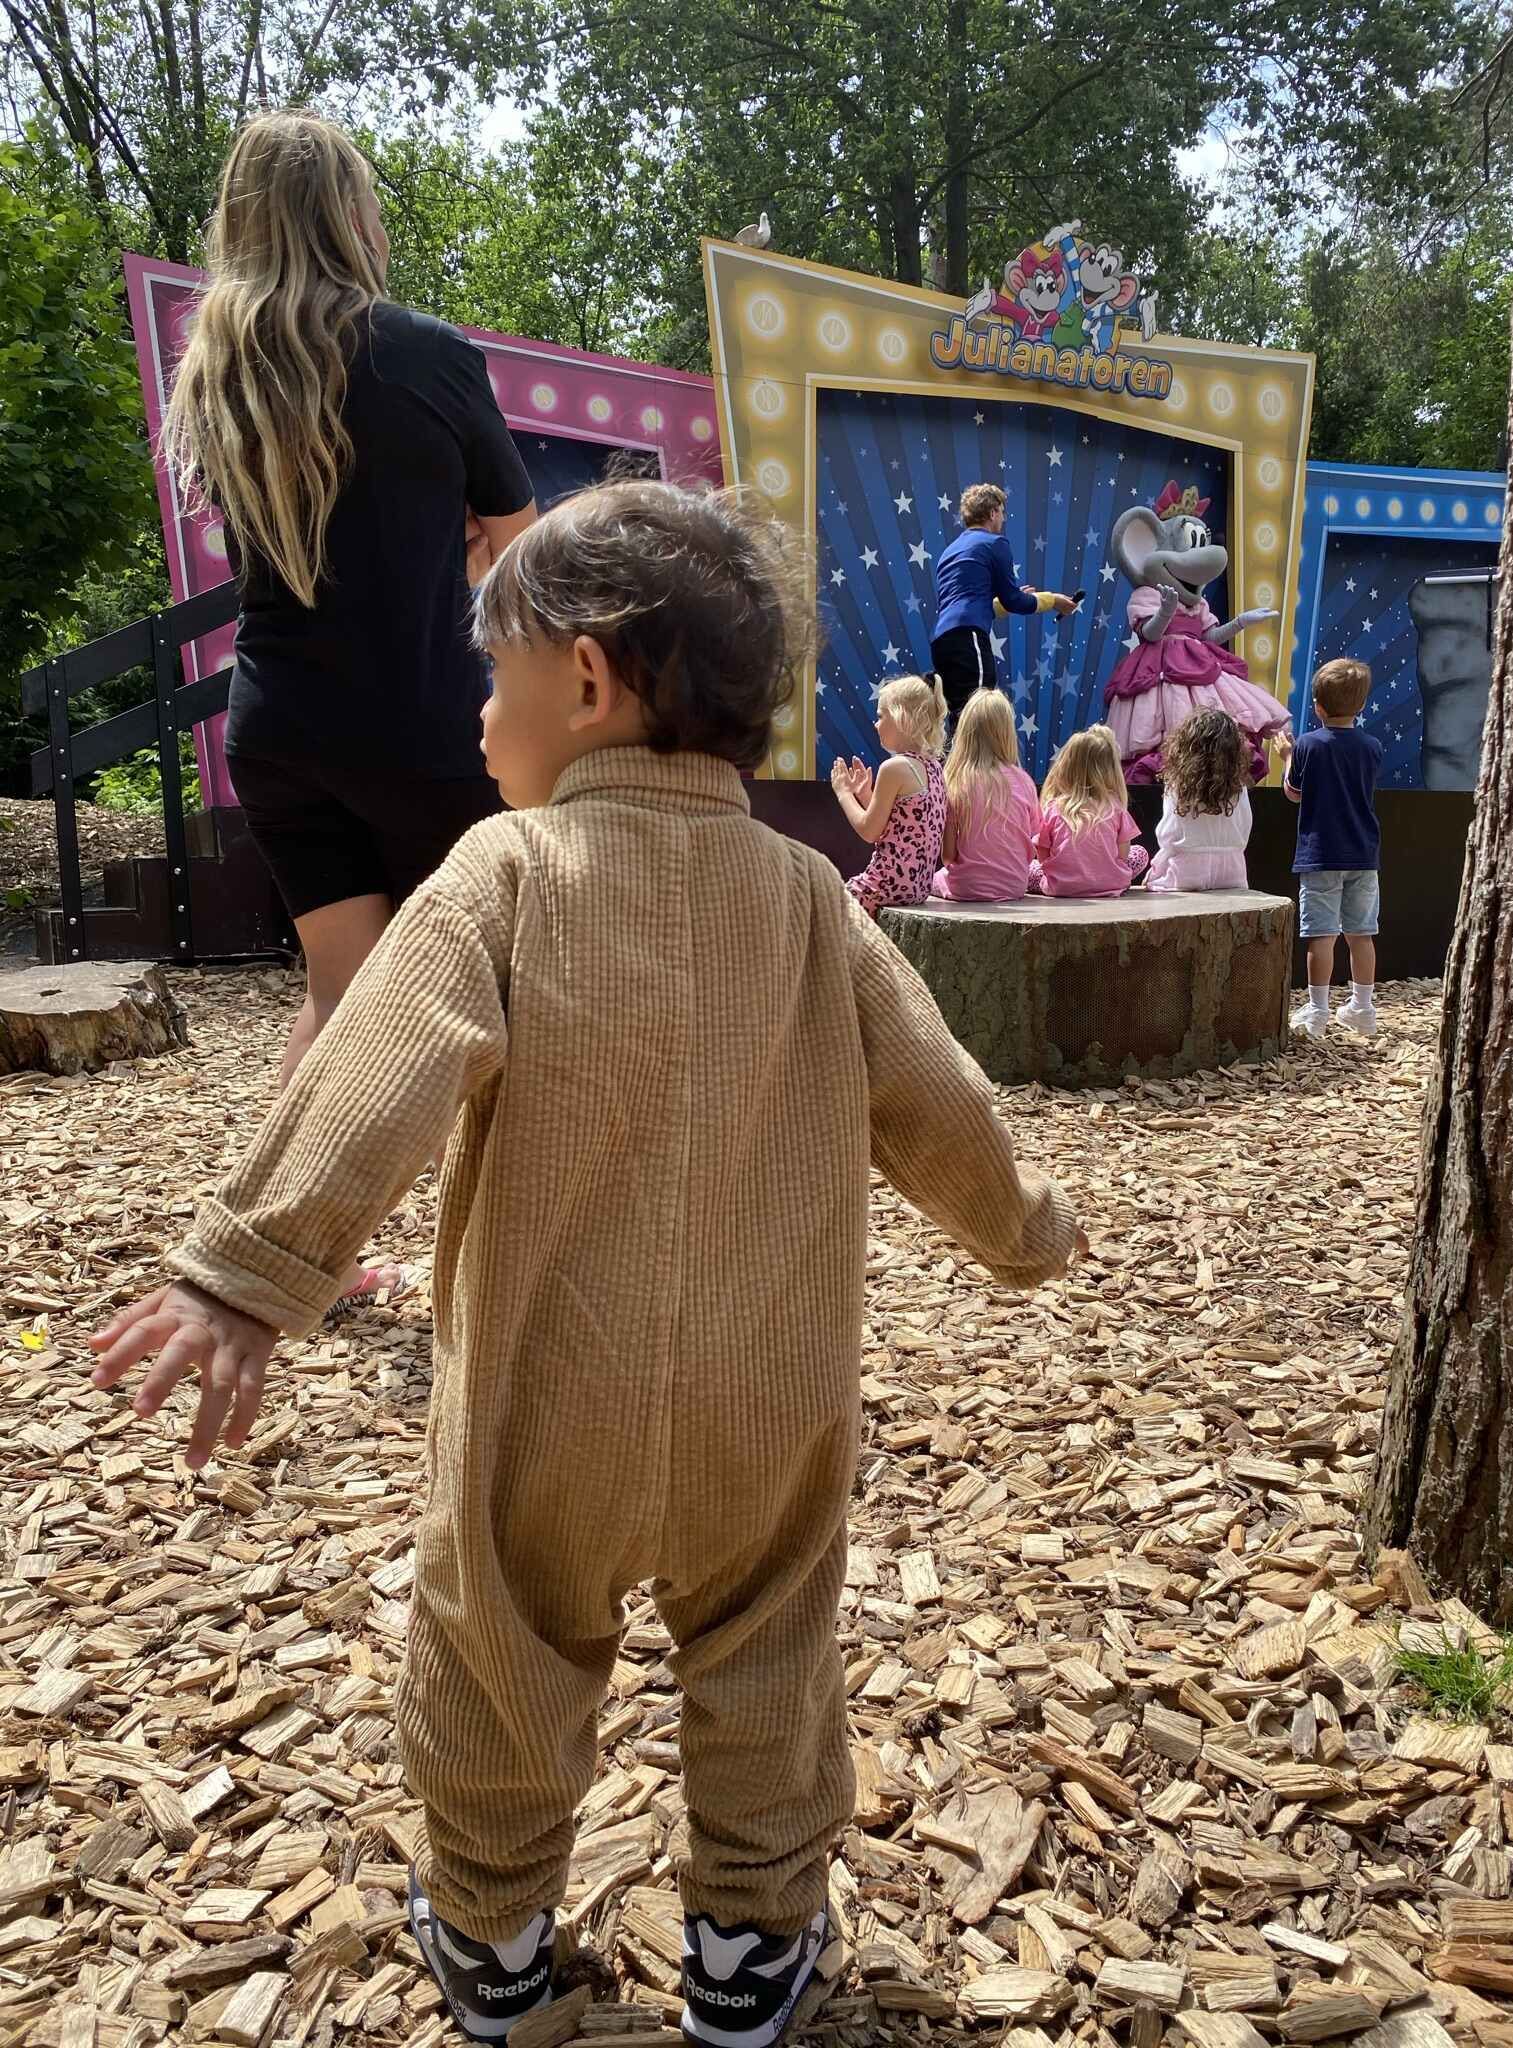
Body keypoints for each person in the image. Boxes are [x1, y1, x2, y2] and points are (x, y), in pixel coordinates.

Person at [87, 479, 1084, 2048]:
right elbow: (940, 1102)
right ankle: (752, 1946)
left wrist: (252, 1268)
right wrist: (1025, 1234)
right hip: (770, 1403)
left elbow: (376, 1069)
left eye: (495, 677)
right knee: (768, 1651)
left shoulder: (504, 874)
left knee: (501, 1639)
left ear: (590, 681)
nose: (481, 719)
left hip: (550, 1393)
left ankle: (489, 1929)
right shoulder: (812, 905)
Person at [163, 110, 536, 1299]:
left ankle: (273, 1250)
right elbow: (517, 544)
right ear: (350, 216)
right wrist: (457, 545)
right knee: (490, 995)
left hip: (273, 722)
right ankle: (518, 1255)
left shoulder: (220, 366)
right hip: (417, 719)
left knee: (340, 994)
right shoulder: (426, 354)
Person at [1279, 658, 1383, 1039]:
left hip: (1321, 855)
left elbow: (1293, 793)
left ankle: (1318, 1011)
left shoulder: (1307, 745)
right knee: (1361, 933)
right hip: (1363, 854)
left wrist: (1287, 756)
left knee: (1321, 935)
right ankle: (1363, 1007)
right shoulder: (1371, 747)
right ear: (1360, 706)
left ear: (1318, 708)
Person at [929, 484, 1080, 724]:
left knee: (959, 720)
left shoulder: (949, 552)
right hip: (969, 639)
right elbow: (1014, 600)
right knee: (977, 717)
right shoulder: (994, 543)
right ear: (992, 513)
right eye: (1002, 511)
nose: (1003, 518)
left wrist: (1008, 600)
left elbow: (973, 603)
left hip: (942, 642)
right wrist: (1053, 600)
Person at [831, 672, 948, 917]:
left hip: (882, 886)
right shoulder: (934, 768)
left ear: (901, 718)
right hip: (915, 889)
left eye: (880, 716)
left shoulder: (894, 767)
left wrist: (844, 793)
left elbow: (869, 830)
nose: (875, 724)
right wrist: (867, 797)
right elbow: (903, 829)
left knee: (821, 907)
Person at [932, 688, 1040, 901]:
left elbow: (948, 857)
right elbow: (1034, 841)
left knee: (934, 878)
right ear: (1007, 733)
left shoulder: (954, 782)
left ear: (964, 732)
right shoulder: (1025, 781)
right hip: (1015, 886)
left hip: (966, 888)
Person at [1029, 725, 1149, 898]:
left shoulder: (1053, 809)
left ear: (1064, 767)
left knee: (1027, 868)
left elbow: (1042, 853)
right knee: (1140, 853)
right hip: (1110, 883)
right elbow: (1122, 856)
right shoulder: (1116, 809)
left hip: (1061, 886)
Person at [1145, 709, 1252, 892]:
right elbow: (1244, 827)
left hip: (1185, 871)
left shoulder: (1178, 784)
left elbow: (1168, 833)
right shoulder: (1238, 787)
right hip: (1232, 871)